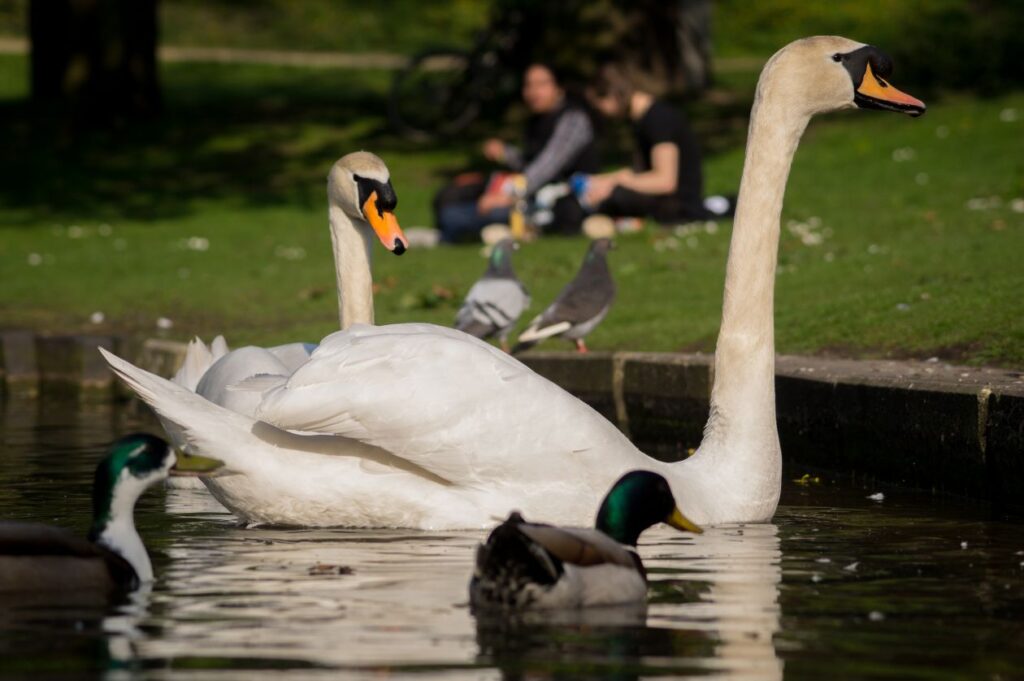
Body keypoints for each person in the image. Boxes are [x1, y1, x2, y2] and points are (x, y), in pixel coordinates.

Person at [434, 63, 600, 243]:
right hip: (530, 195)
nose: (533, 91)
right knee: (447, 197)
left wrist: (508, 195)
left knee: (453, 216)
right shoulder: (537, 120)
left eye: (541, 84)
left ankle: (453, 238)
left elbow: (548, 166)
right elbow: (530, 162)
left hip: (558, 202)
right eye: (528, 85)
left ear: (559, 87)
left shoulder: (573, 119)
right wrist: (505, 153)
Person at [583, 63, 730, 225]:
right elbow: (642, 173)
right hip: (665, 200)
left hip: (679, 205)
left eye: (599, 105)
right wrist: (604, 180)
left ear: (612, 95)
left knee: (616, 196)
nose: (601, 112)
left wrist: (617, 182)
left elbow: (665, 181)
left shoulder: (658, 120)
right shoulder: (642, 120)